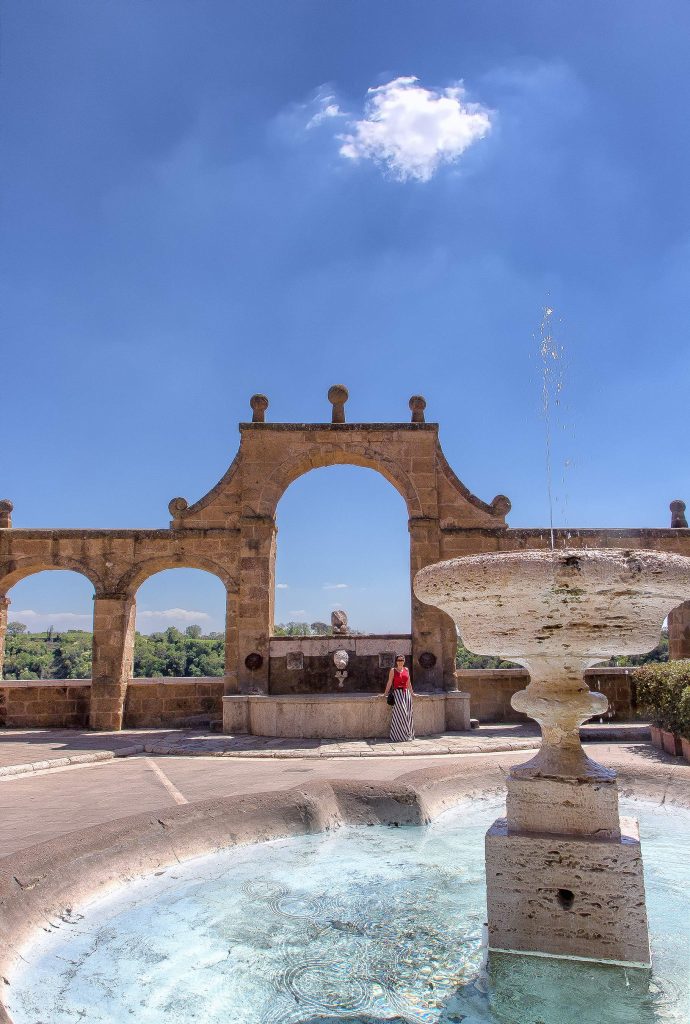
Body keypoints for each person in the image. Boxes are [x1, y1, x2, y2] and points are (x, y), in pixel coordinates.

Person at [383, 655, 415, 742]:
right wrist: (385, 693)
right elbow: (389, 682)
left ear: (404, 661)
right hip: (398, 693)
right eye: (398, 660)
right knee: (401, 714)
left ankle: (408, 734)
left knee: (408, 714)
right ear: (396, 661)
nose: (400, 661)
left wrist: (412, 693)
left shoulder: (406, 669)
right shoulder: (393, 670)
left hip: (406, 694)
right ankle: (399, 736)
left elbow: (409, 683)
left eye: (402, 660)